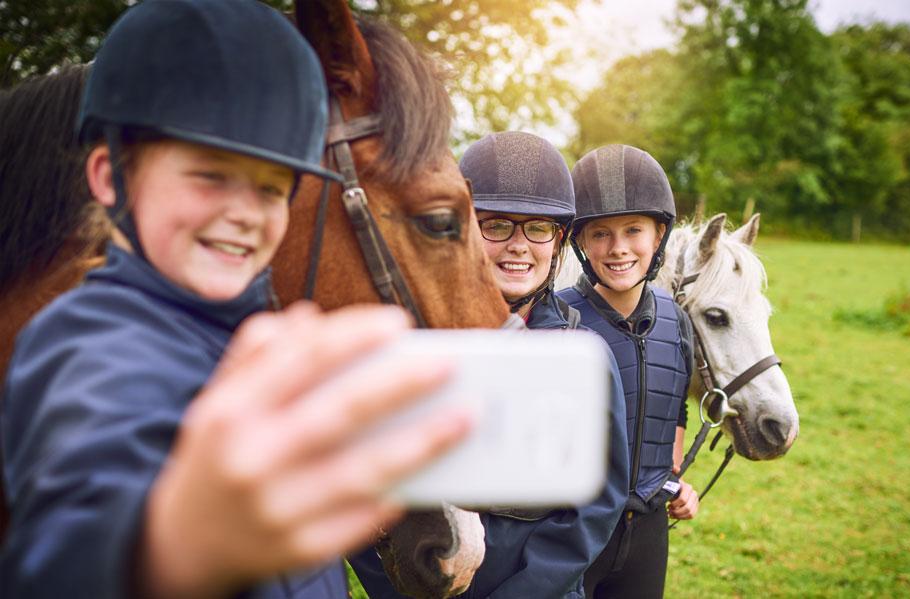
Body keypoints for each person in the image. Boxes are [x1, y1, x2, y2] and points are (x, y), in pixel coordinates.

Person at [0, 2, 470, 598]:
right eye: (210, 175)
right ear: (110, 179)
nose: (245, 213)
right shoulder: (88, 344)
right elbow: (74, 537)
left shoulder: (253, 340)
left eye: (273, 188)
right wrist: (175, 547)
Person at [350, 131, 629, 598]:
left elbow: (598, 504)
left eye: (537, 228)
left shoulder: (584, 356)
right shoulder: (415, 347)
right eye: (497, 225)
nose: (518, 245)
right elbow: (363, 487)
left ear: (557, 240)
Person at [556, 144, 700, 598]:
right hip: (572, 534)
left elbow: (670, 412)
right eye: (600, 234)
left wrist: (674, 483)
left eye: (633, 230)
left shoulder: (676, 321)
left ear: (659, 236)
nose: (618, 249)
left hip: (648, 537)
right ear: (579, 241)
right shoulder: (557, 322)